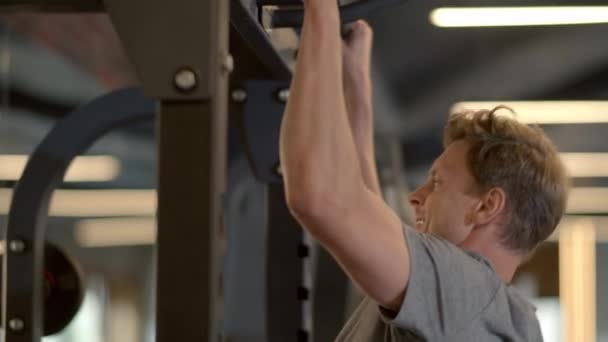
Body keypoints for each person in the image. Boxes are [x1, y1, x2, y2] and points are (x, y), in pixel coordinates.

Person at [278, 0, 569, 341]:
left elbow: (321, 196)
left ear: (486, 206)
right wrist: (356, 83)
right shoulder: (488, 311)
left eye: (436, 183)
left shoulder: (466, 291)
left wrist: (322, 11)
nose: (415, 197)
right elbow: (366, 212)